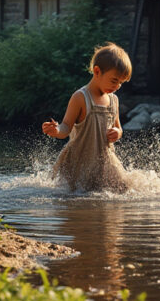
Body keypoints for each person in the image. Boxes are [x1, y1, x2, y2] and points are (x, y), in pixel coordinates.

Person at [41, 42, 135, 192]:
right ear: (97, 72)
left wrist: (117, 133)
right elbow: (66, 126)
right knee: (77, 193)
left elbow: (118, 127)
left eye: (121, 83)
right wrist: (56, 130)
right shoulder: (80, 97)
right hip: (79, 160)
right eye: (114, 81)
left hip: (105, 160)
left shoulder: (113, 100)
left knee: (124, 189)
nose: (117, 86)